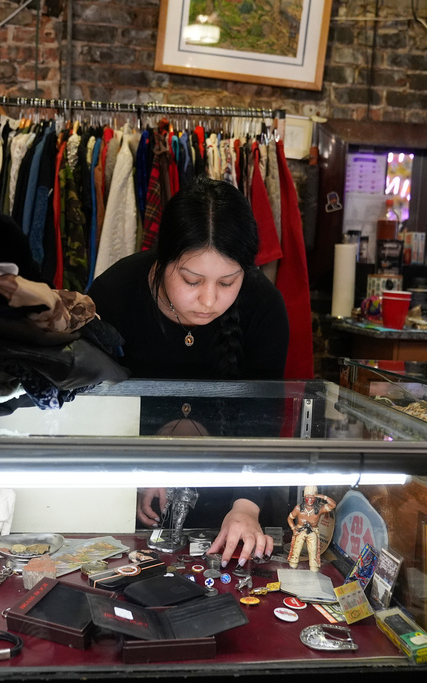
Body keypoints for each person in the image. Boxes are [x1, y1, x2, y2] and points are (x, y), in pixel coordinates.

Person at [88, 176, 290, 567]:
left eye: (228, 282)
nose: (209, 299)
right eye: (191, 280)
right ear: (162, 260)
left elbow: (264, 417)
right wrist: (135, 474)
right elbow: (92, 406)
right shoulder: (116, 293)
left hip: (231, 495)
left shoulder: (263, 307)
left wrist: (247, 507)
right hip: (125, 494)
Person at [287, 486, 336, 572]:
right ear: (304, 497)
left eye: (312, 497)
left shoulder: (320, 509)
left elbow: (333, 505)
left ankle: (314, 566)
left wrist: (322, 496)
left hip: (313, 531)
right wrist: (293, 529)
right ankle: (293, 563)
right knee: (296, 548)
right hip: (300, 530)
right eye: (307, 497)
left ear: (316, 498)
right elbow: (290, 518)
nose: (310, 499)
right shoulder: (298, 508)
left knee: (313, 550)